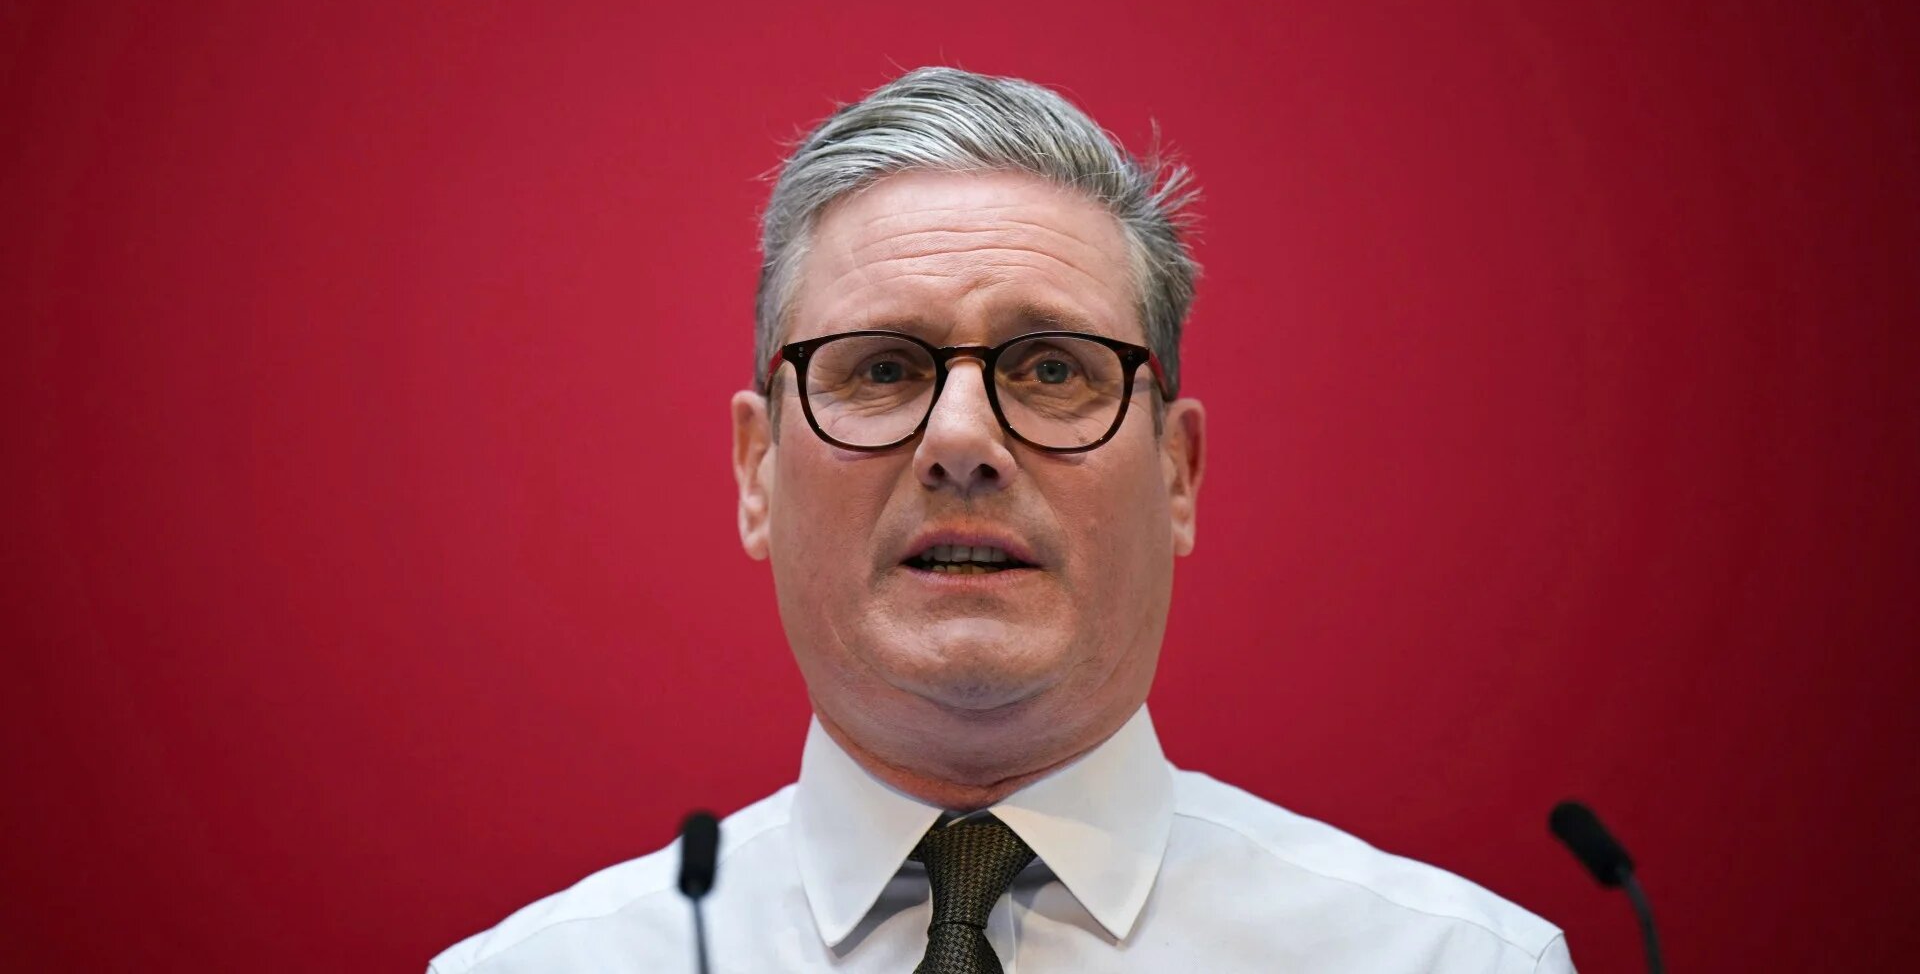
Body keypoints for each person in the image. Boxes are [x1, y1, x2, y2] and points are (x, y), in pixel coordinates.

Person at [428, 67, 1576, 973]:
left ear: (1176, 474)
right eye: (880, 369)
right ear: (757, 472)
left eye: (1051, 369)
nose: (963, 441)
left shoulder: (1453, 962)